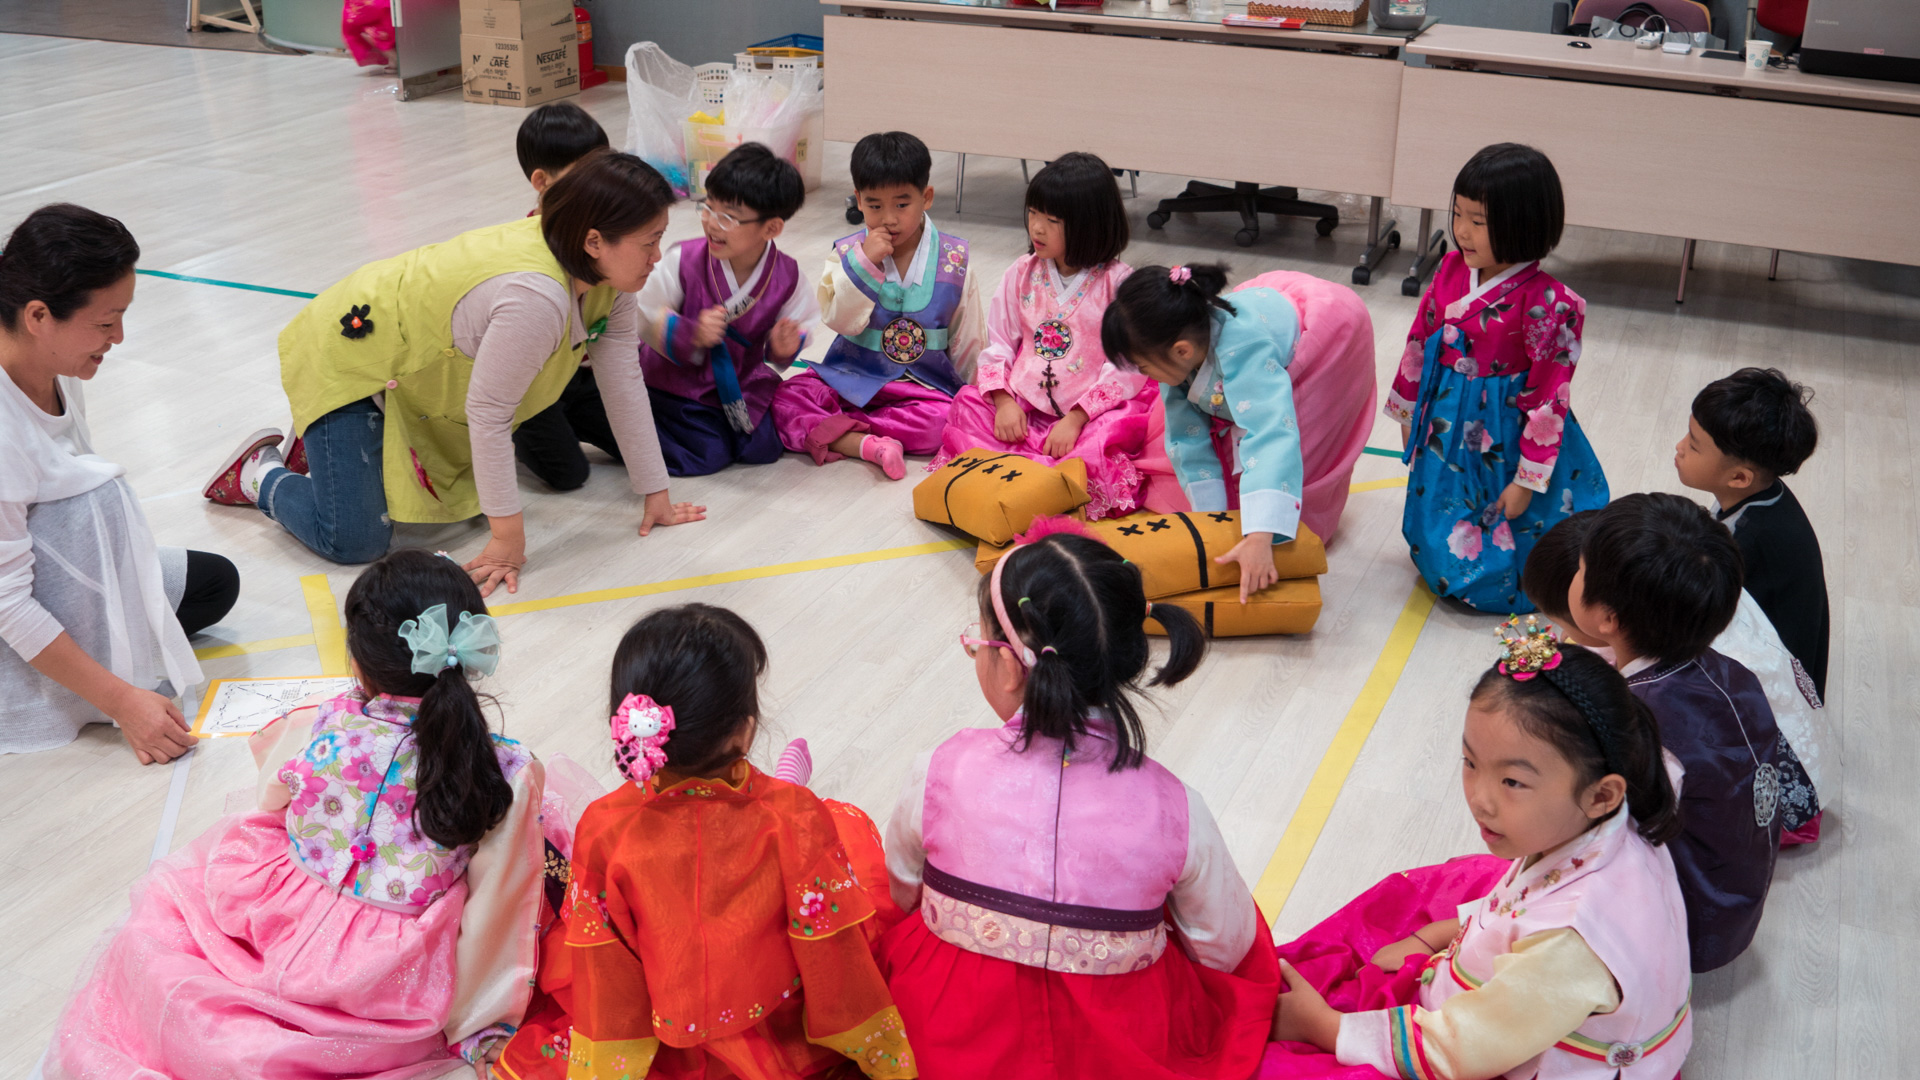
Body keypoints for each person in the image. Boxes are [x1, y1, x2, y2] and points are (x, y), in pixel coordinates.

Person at [48, 549, 552, 1078]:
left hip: (277, 924)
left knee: (166, 943)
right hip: (383, 973)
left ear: (358, 661)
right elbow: (497, 904)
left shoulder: (329, 719)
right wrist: (479, 1023)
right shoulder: (504, 771)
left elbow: (272, 793)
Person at [202, 150, 705, 596]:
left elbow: (623, 381)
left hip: (413, 374)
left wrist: (655, 492)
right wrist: (508, 541)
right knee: (355, 542)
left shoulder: (605, 276)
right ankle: (259, 472)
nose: (657, 257)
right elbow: (488, 414)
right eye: (650, 242)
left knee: (463, 502)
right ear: (594, 241)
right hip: (354, 361)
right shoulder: (536, 298)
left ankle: (327, 446)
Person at [879, 525, 1281, 1080]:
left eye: (978, 642)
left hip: (949, 1036)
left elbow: (901, 889)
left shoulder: (939, 770)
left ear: (1010, 664)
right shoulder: (1176, 807)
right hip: (1116, 1049)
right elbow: (1224, 947)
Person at [494, 603, 916, 1080]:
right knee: (842, 824)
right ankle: (782, 777)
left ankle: (783, 777)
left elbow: (608, 970)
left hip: (666, 1033)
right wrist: (878, 1047)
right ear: (746, 730)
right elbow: (831, 953)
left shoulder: (604, 827)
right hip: (778, 1020)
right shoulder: (794, 816)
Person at [1264, 629, 1691, 1080]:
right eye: (1470, 763)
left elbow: (1458, 1051)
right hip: (1536, 1004)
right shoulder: (1609, 817)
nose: (1479, 800)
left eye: (1512, 782)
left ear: (1601, 795)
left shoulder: (1570, 944)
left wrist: (1324, 1027)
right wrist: (1435, 935)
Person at [0, 203, 238, 762]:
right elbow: (7, 603)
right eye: (106, 324)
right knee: (91, 498)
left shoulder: (54, 367)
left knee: (214, 583)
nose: (120, 337)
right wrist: (123, 701)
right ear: (38, 316)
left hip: (44, 570)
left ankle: (88, 648)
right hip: (12, 601)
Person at [1384, 143, 1608, 613]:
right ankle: (1444, 565)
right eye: (1457, 214)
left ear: (1525, 223)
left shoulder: (1551, 303)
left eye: (1479, 221)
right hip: (1446, 410)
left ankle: (1503, 582)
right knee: (1442, 495)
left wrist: (1528, 478)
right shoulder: (1450, 270)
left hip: (1504, 427)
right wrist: (1409, 412)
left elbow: (1550, 397)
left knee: (1504, 506)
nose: (1462, 231)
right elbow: (1420, 341)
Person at [1566, 492, 1785, 972]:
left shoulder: (1637, 725)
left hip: (1689, 930)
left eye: (1579, 569)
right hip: (1734, 903)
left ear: (1608, 618)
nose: (1572, 576)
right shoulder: (1731, 673)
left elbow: (1597, 834)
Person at [1524, 510, 1824, 843]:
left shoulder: (1640, 710)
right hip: (1785, 789)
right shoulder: (1696, 601)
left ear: (1608, 618)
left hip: (1759, 831)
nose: (1564, 635)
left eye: (1581, 570)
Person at [1100, 263, 1372, 600]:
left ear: (1182, 351)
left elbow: (1270, 431)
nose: (1144, 375)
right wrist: (1212, 521)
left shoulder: (1243, 348)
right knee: (1185, 447)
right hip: (1262, 306)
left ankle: (1275, 518)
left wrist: (1260, 535)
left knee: (1295, 439)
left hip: (1328, 327)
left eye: (1143, 366)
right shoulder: (1177, 350)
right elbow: (1185, 436)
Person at [930, 152, 1155, 518]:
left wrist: (1076, 419)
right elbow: (999, 343)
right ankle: (1041, 476)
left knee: (1104, 441)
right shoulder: (1021, 272)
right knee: (968, 404)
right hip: (1023, 402)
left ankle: (1029, 478)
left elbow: (1126, 366)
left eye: (1052, 220)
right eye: (1033, 213)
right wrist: (1004, 402)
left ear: (1090, 224)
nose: (1036, 228)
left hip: (1088, 413)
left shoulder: (1118, 283)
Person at [772, 131, 985, 480]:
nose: (889, 218)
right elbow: (840, 321)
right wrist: (864, 264)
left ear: (926, 197)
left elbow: (969, 342)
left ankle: (842, 433)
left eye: (902, 205)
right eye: (874, 205)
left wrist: (972, 402)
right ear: (857, 200)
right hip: (849, 380)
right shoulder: (846, 253)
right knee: (785, 396)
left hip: (920, 391)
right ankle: (866, 444)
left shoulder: (955, 262)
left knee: (943, 421)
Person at [635, 142, 821, 476]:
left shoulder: (786, 275)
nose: (711, 224)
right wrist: (692, 333)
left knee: (763, 448)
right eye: (708, 208)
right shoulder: (683, 260)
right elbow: (645, 312)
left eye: (728, 217)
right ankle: (629, 429)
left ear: (771, 228)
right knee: (707, 453)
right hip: (677, 385)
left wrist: (783, 347)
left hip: (741, 383)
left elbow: (802, 323)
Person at [1676, 366, 1830, 701]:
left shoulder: (1747, 543)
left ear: (1739, 478)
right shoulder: (1763, 493)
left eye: (1694, 445)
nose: (1680, 447)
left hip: (1770, 690)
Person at [507, 103, 627, 492]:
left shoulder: (602, 234)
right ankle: (511, 432)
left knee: (648, 443)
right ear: (542, 182)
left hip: (577, 374)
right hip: (530, 385)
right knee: (569, 475)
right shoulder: (525, 254)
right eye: (584, 176)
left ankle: (569, 420)